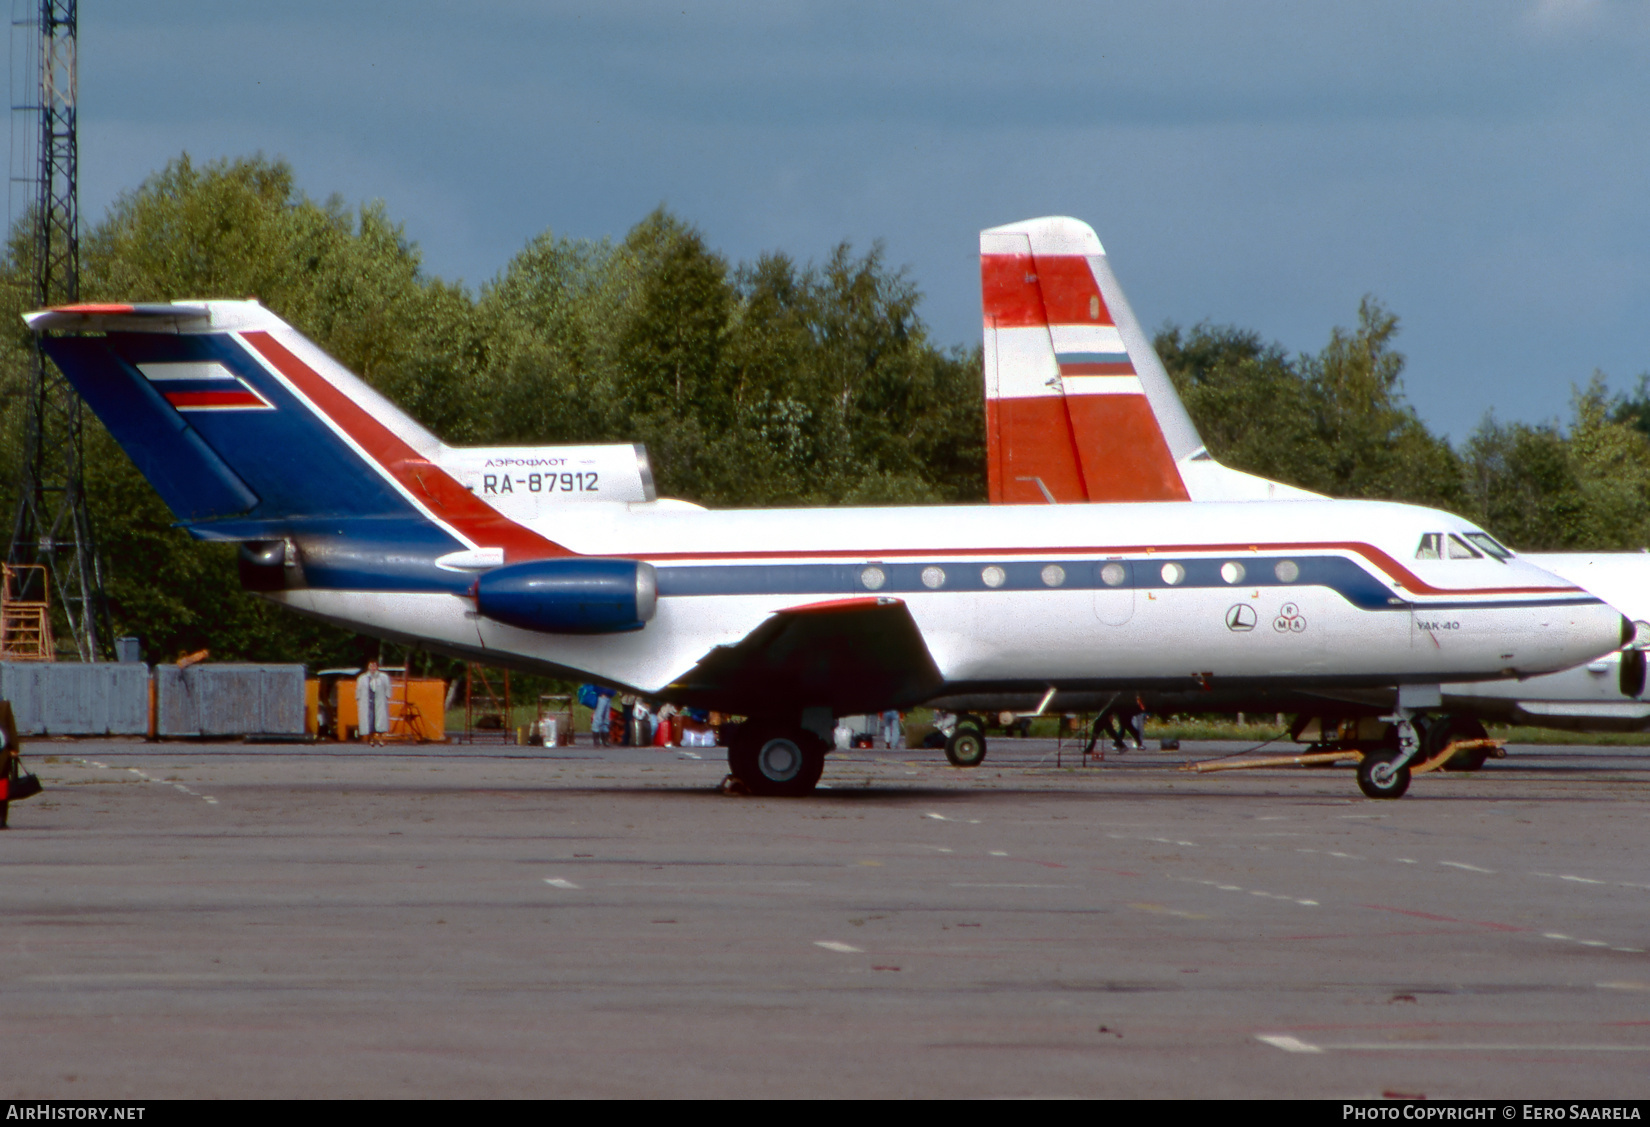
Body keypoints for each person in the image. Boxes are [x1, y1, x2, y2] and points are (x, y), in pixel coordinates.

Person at [355, 660, 393, 746]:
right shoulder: (362, 678)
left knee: (380, 720)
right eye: (371, 666)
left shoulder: (383, 677)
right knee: (370, 719)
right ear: (368, 667)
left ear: (377, 667)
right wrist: (358, 699)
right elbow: (358, 690)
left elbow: (388, 688)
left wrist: (387, 696)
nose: (372, 668)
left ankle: (380, 739)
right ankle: (371, 739)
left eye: (374, 666)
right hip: (367, 702)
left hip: (379, 701)